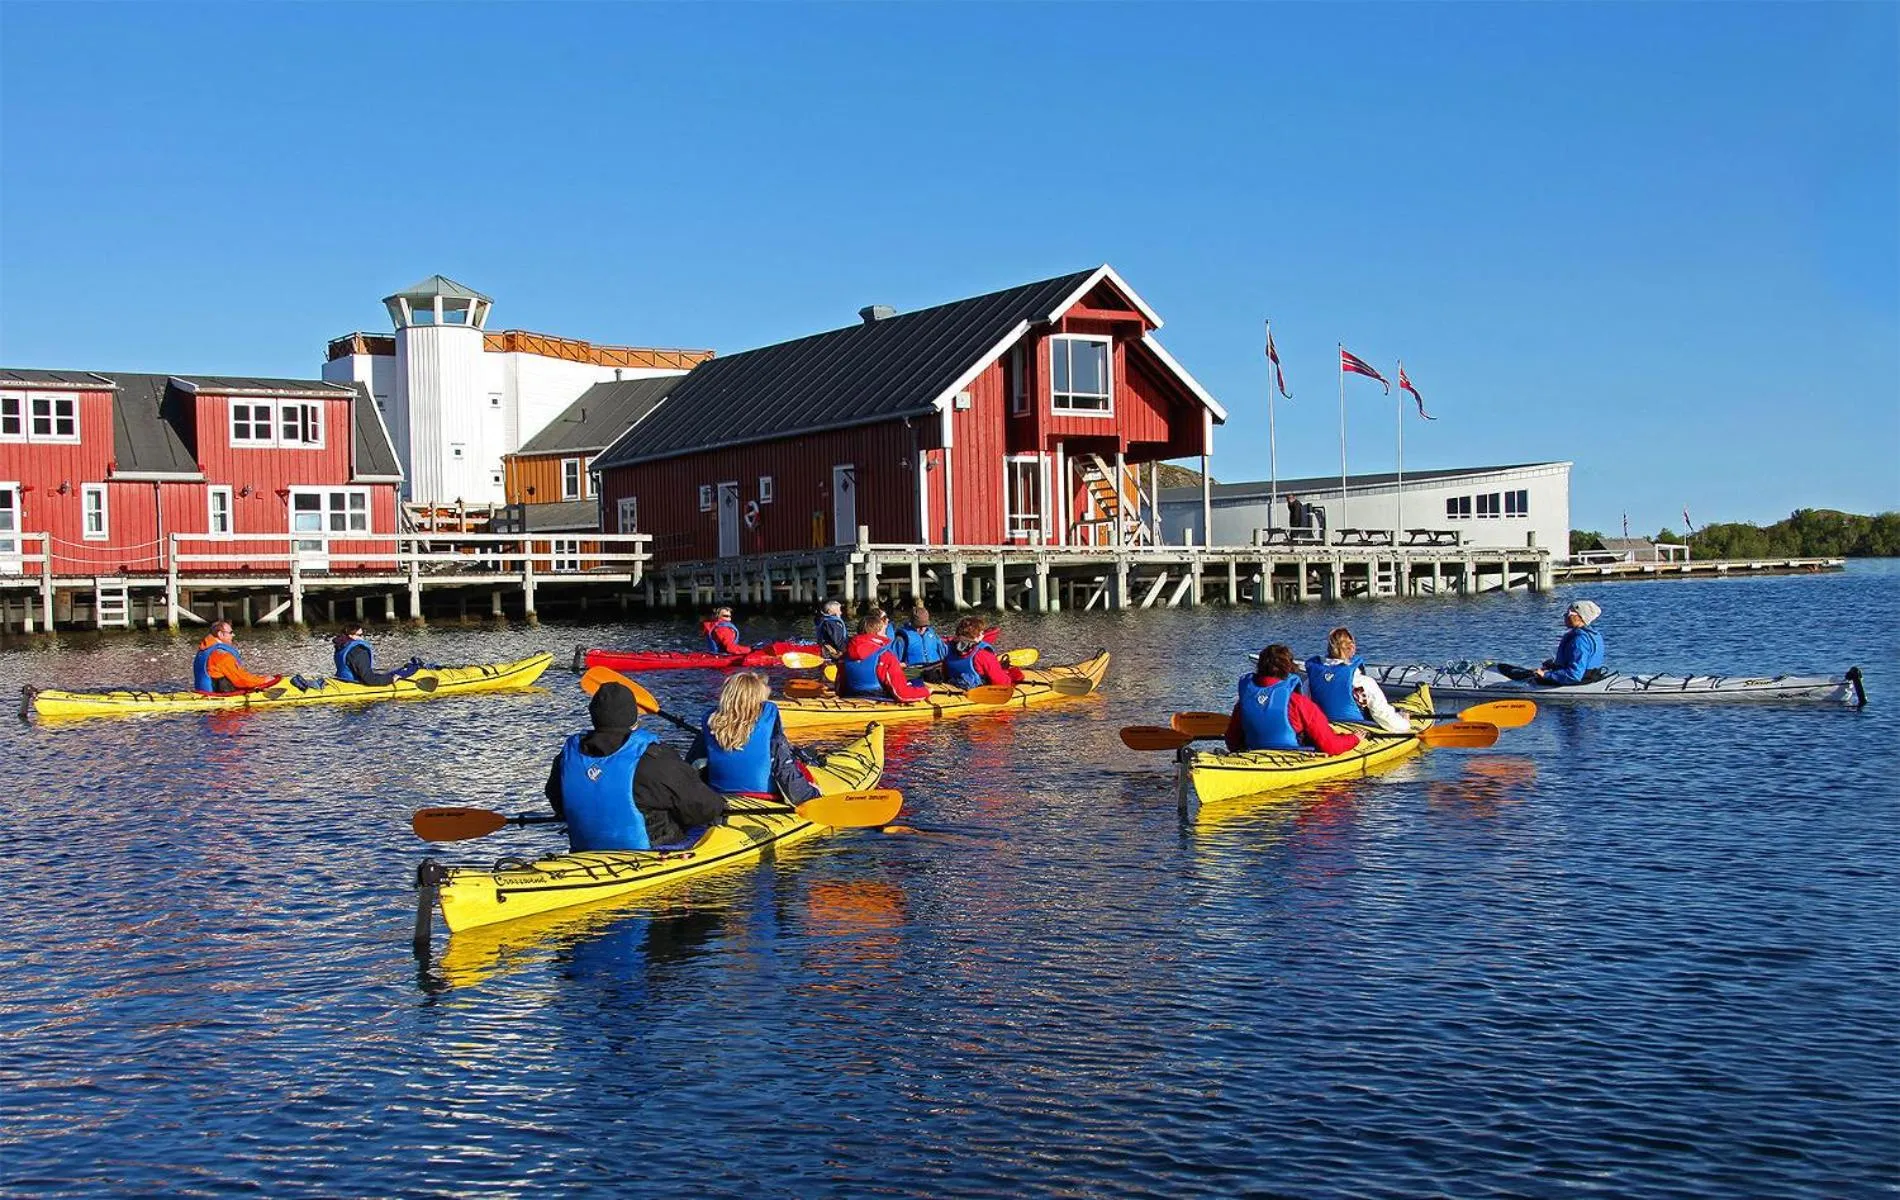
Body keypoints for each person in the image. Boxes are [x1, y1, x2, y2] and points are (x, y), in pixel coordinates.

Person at [544, 681, 729, 851]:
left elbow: (558, 803)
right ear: (634, 719)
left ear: (594, 716)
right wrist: (719, 806)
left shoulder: (567, 757)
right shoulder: (653, 757)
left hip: (586, 847)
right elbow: (702, 807)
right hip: (652, 851)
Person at [686, 671, 819, 802]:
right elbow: (783, 766)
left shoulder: (711, 722)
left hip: (720, 794)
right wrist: (811, 796)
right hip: (764, 797)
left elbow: (693, 765)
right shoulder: (768, 719)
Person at [1225, 644, 1362, 755]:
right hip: (1291, 756)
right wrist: (1355, 738)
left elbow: (1232, 742)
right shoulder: (1299, 703)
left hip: (1254, 755)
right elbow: (1331, 746)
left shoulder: (1243, 703)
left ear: (1259, 667)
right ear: (1289, 668)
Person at [1303, 627, 1411, 733]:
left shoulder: (1310, 680)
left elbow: (1304, 709)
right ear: (1352, 648)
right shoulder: (1361, 681)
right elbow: (1381, 714)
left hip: (1323, 730)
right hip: (1355, 731)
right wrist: (1404, 723)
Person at [837, 613, 932, 701]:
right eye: (883, 632)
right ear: (877, 633)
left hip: (850, 697)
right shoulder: (885, 656)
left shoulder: (845, 656)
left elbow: (839, 689)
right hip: (879, 698)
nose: (886, 635)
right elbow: (901, 694)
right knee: (917, 683)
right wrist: (926, 691)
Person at [192, 621, 282, 694]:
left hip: (202, 691)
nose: (233, 635)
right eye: (230, 633)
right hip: (219, 696)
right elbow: (240, 679)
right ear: (220, 634)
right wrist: (264, 680)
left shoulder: (204, 649)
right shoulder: (221, 654)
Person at [1533, 600, 1606, 685]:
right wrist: (1553, 666)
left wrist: (1546, 675)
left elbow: (1574, 675)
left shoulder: (1579, 640)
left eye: (1569, 613)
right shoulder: (1594, 635)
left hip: (1580, 680)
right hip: (1591, 677)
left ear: (1580, 617)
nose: (1565, 616)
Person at [942, 616, 1022, 690]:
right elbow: (1001, 682)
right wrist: (1013, 678)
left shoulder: (947, 649)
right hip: (977, 691)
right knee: (1017, 674)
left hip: (954, 686)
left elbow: (944, 672)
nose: (983, 636)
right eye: (981, 633)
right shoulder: (982, 654)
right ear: (977, 636)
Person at [332, 622, 421, 686]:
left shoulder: (341, 647)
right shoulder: (359, 651)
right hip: (355, 684)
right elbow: (369, 679)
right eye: (359, 635)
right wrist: (390, 679)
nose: (362, 638)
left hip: (343, 680)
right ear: (350, 636)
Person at [892, 604, 948, 668]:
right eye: (918, 626)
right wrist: (905, 665)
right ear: (911, 623)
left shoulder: (933, 635)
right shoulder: (901, 639)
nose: (922, 629)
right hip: (913, 671)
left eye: (924, 626)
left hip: (934, 668)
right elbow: (894, 662)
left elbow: (944, 653)